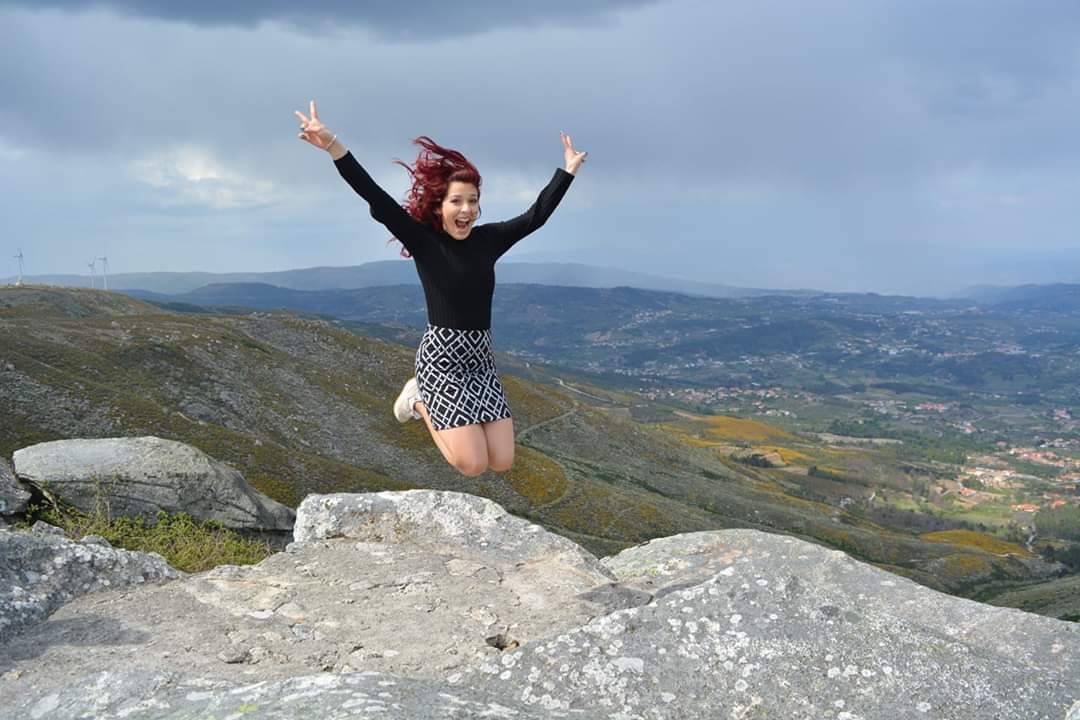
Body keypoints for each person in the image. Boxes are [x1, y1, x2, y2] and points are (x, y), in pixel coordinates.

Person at [295, 100, 587, 476]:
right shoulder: (424, 241)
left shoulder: (489, 239)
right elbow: (375, 197)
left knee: (502, 461)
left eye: (473, 201)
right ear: (439, 206)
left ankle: (433, 406)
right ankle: (417, 398)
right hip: (443, 361)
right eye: (456, 201)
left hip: (480, 360)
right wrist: (334, 145)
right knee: (472, 464)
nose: (466, 210)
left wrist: (568, 171)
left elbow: (536, 216)